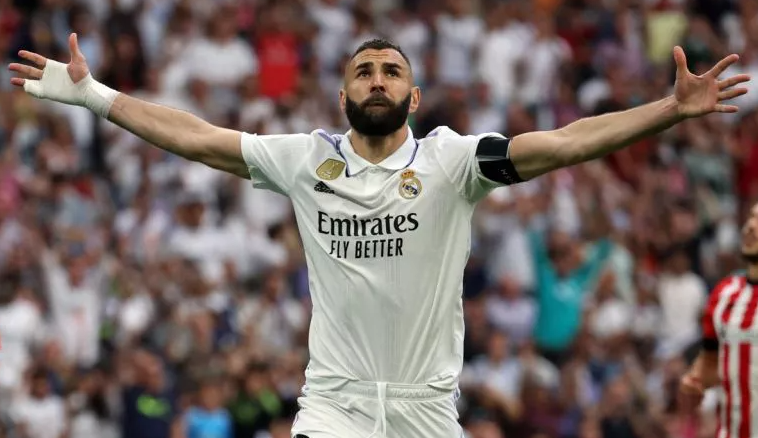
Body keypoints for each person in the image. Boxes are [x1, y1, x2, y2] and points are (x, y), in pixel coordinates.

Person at [8, 33, 750, 438]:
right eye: (363, 71)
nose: (376, 79)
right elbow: (198, 137)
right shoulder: (306, 159)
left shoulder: (454, 161)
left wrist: (666, 110)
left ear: (413, 96)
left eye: (391, 71)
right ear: (342, 94)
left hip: (427, 409)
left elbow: (564, 143)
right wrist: (95, 95)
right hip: (337, 406)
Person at [680, 202, 758, 438]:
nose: (750, 226)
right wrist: (695, 379)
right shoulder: (724, 293)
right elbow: (711, 359)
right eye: (750, 218)